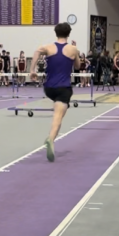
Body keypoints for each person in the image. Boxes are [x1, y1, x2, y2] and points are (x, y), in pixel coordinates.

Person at [29, 22, 80, 162]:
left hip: (49, 88)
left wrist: (32, 70)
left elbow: (37, 51)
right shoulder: (73, 49)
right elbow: (78, 66)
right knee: (57, 117)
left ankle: (50, 138)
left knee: (57, 110)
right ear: (69, 34)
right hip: (64, 88)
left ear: (55, 33)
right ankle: (51, 139)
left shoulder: (48, 47)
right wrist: (75, 52)